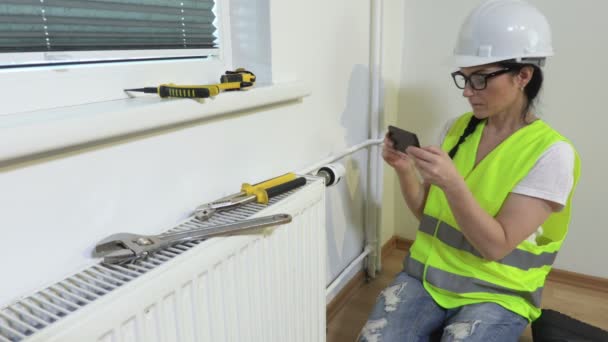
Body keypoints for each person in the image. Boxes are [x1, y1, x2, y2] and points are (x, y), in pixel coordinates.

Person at [359, 0, 581, 341]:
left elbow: (497, 247)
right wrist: (405, 170)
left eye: (479, 79)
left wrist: (452, 184)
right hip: (427, 277)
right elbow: (427, 215)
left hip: (497, 292)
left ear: (523, 75)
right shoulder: (457, 129)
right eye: (463, 79)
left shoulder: (552, 154)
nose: (467, 92)